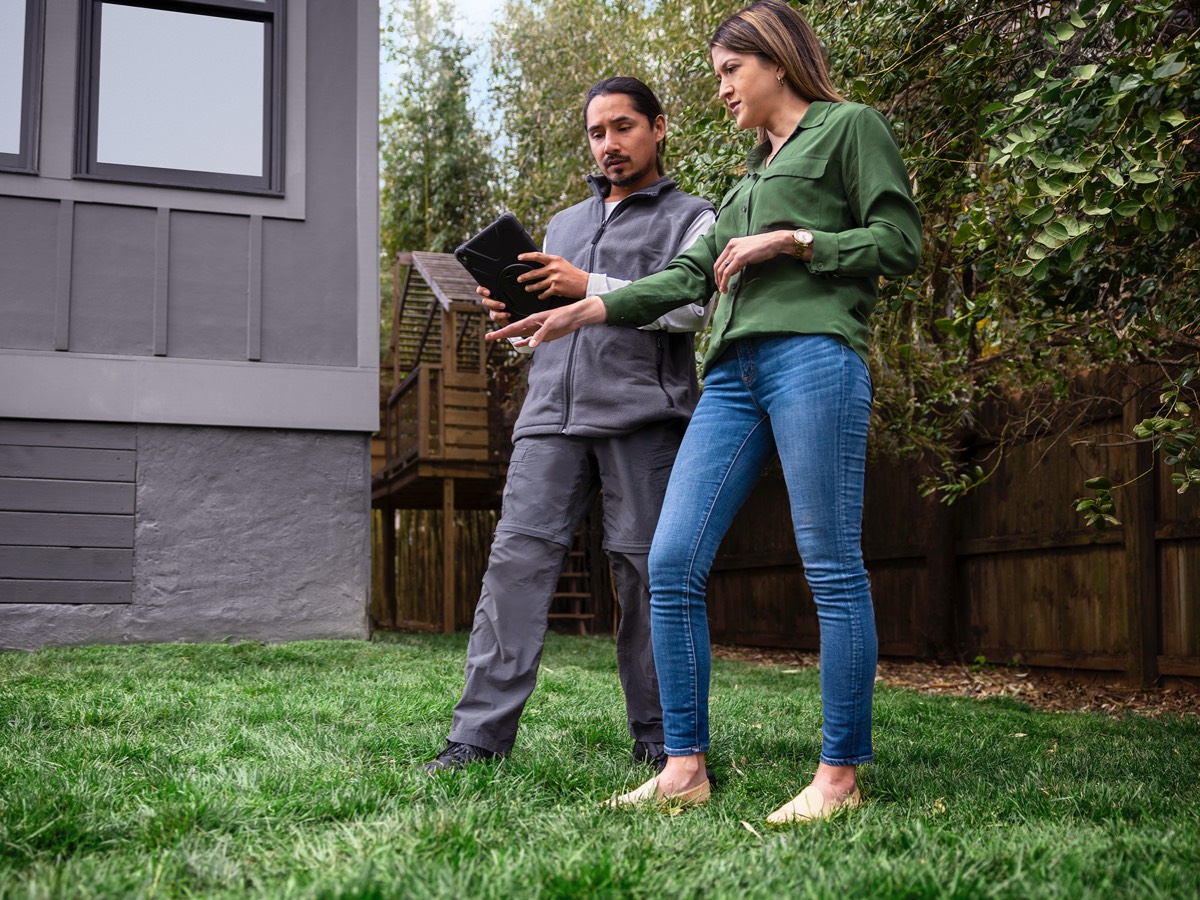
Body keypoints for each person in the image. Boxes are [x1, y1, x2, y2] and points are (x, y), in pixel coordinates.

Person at [488, 0, 921, 822]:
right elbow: (684, 281)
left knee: (830, 564)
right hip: (730, 376)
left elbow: (899, 242)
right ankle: (684, 766)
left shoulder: (848, 128)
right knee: (671, 559)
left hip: (812, 358)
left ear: (778, 62)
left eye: (731, 70)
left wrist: (793, 242)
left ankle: (839, 777)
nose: (722, 89)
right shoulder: (746, 179)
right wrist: (578, 311)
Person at [423, 77, 716, 775]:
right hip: (549, 419)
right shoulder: (562, 225)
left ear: (659, 127)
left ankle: (663, 736)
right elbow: (553, 331)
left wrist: (585, 284)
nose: (609, 144)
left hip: (645, 417)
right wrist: (517, 320)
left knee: (647, 574)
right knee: (514, 570)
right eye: (596, 132)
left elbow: (691, 310)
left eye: (623, 127)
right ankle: (477, 738)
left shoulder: (693, 217)